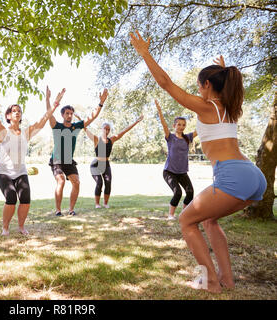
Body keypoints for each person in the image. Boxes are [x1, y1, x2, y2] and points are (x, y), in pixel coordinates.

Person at [130, 32, 266, 293]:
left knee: (186, 220)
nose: (197, 91)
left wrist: (145, 54)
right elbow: (228, 88)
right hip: (253, 176)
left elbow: (167, 83)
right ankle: (226, 279)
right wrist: (223, 72)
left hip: (234, 175)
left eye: (199, 86)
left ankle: (211, 281)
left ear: (206, 85)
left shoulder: (208, 106)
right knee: (209, 220)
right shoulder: (229, 107)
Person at [0, 82, 65, 236]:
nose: (17, 113)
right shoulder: (3, 132)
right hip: (4, 172)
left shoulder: (26, 133)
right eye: (13, 111)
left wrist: (54, 103)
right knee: (10, 197)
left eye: (19, 111)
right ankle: (5, 228)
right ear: (8, 116)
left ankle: (21, 227)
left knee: (25, 199)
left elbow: (43, 121)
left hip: (20, 171)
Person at [48, 89, 108, 217]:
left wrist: (101, 103)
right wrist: (50, 100)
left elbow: (93, 116)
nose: (69, 115)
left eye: (71, 113)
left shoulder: (76, 127)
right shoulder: (56, 126)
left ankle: (71, 209)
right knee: (61, 181)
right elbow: (48, 114)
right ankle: (58, 210)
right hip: (57, 160)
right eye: (67, 113)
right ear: (63, 115)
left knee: (76, 182)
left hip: (69, 161)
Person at [80, 115, 143, 209]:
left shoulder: (112, 140)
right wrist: (79, 119)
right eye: (105, 128)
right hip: (96, 164)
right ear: (102, 129)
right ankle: (97, 204)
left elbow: (124, 131)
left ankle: (105, 203)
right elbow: (85, 128)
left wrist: (136, 122)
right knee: (99, 183)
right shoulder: (96, 139)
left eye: (108, 129)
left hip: (106, 164)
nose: (107, 130)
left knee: (108, 182)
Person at [154, 99, 197, 220]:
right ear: (174, 125)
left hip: (182, 172)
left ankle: (184, 215)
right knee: (177, 192)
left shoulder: (187, 137)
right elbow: (163, 124)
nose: (181, 127)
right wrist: (159, 111)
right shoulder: (170, 137)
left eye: (183, 125)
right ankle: (171, 215)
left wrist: (205, 113)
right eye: (179, 124)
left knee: (190, 192)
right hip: (169, 172)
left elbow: (199, 130)